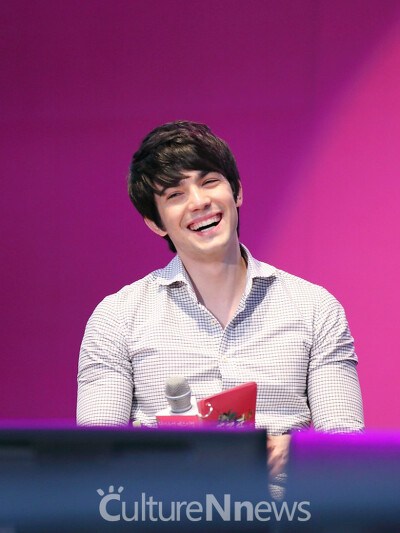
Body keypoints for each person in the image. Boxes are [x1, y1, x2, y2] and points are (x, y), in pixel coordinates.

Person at [77, 120, 364, 482]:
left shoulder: (314, 309)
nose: (199, 202)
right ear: (155, 223)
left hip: (282, 507)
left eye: (209, 181)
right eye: (175, 195)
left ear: (237, 191)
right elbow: (93, 459)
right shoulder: (117, 318)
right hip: (165, 507)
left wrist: (295, 453)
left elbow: (347, 448)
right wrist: (173, 457)